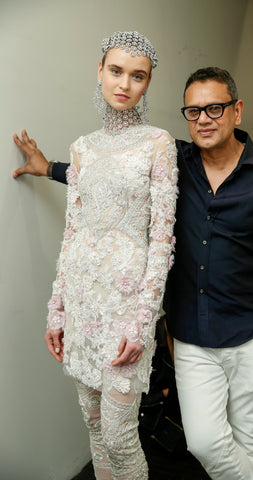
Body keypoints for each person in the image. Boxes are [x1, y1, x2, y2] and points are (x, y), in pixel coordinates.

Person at [13, 67, 253, 479]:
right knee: (204, 442)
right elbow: (112, 177)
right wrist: (47, 167)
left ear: (237, 111)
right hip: (190, 335)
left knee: (252, 437)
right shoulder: (171, 160)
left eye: (214, 108)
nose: (204, 119)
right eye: (193, 111)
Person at [13, 31, 177, 480]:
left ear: (147, 84)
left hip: (127, 311)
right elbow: (73, 234)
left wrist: (143, 322)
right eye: (116, 71)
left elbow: (163, 241)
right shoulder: (82, 148)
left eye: (137, 76)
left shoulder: (158, 143)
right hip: (84, 306)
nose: (124, 83)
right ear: (100, 72)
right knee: (94, 425)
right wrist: (57, 310)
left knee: (122, 435)